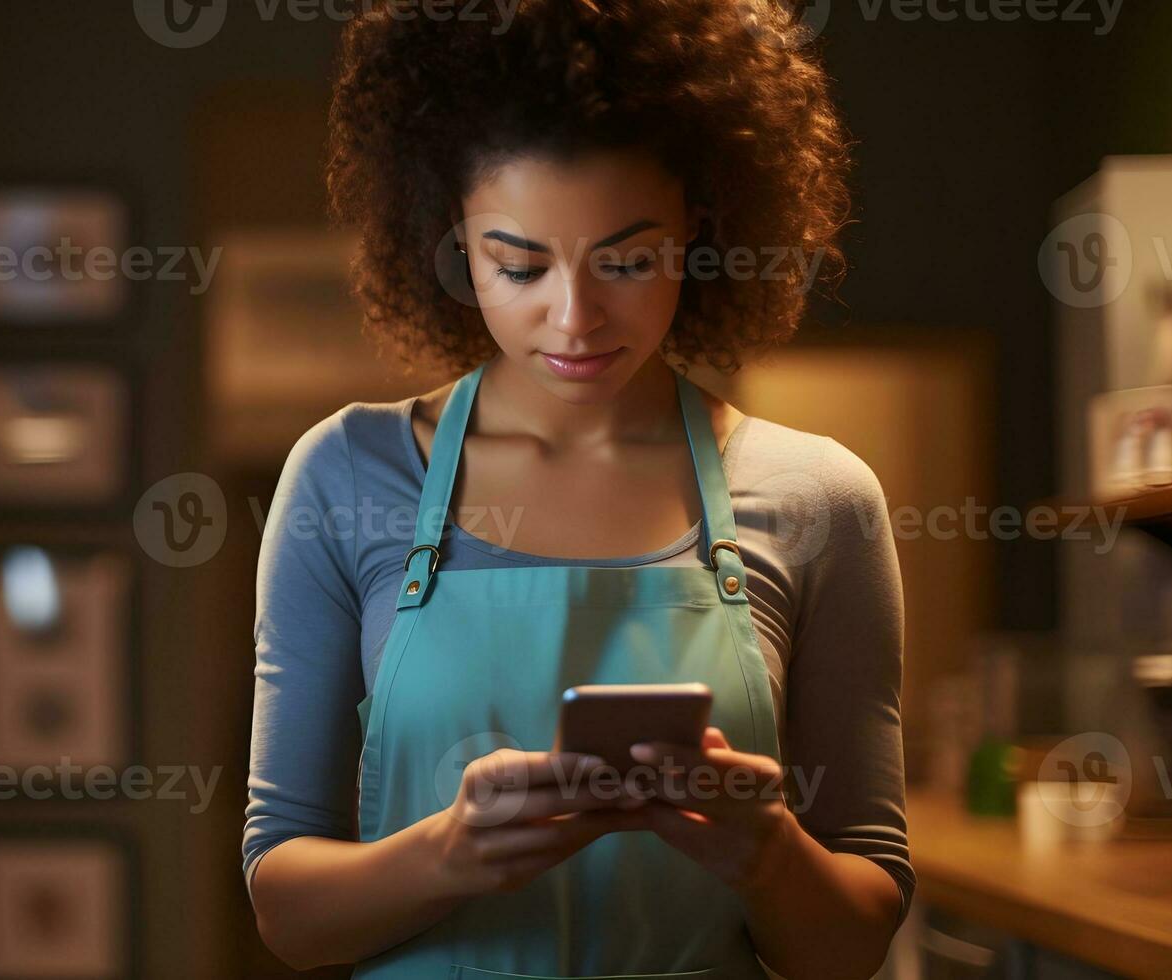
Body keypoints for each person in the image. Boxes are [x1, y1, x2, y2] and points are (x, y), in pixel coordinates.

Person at [242, 1, 911, 976]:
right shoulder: (344, 474)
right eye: (517, 264)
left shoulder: (819, 498)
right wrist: (448, 852)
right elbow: (285, 912)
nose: (572, 318)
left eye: (627, 260)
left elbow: (850, 939)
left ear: (700, 225)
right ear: (450, 240)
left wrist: (767, 853)